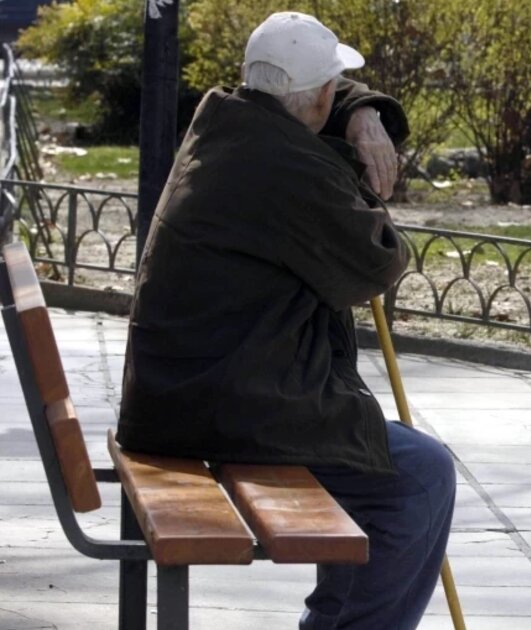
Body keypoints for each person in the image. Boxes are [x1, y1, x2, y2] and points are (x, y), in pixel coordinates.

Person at [116, 12, 456, 630]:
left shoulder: (230, 121)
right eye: (335, 89)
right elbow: (376, 262)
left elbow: (301, 99)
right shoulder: (286, 168)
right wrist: (359, 167)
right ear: (320, 98)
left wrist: (361, 111)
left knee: (391, 461)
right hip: (224, 405)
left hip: (189, 391)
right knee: (421, 477)